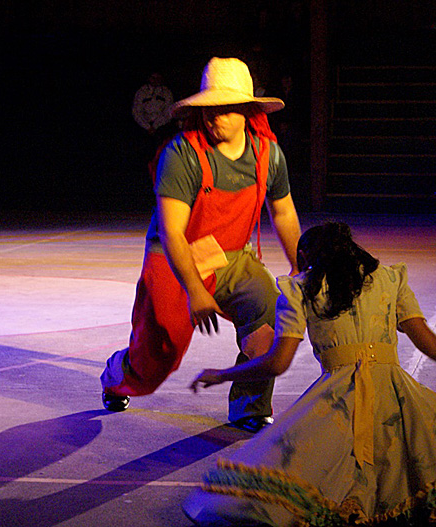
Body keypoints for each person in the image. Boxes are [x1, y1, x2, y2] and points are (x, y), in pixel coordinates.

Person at [184, 222, 436, 526]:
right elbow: (429, 343)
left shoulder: (299, 288)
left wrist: (224, 374)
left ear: (306, 256)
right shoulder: (390, 279)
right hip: (395, 391)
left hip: (337, 395)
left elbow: (277, 363)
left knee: (303, 468)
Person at [101, 57, 302, 434]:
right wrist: (195, 289)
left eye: (223, 108)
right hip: (174, 259)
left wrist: (299, 268)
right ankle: (118, 373)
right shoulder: (182, 154)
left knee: (267, 317)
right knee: (159, 356)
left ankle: (250, 406)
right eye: (208, 108)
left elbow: (284, 212)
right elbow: (172, 232)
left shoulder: (268, 154)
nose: (212, 117)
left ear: (247, 111)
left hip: (231, 258)